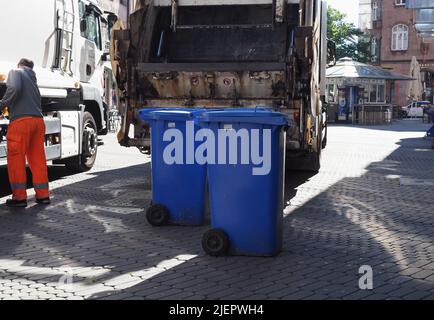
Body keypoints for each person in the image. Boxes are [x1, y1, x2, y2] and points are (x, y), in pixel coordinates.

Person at [0, 58, 50, 207]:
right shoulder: (33, 81)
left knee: (16, 160)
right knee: (38, 160)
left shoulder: (16, 71)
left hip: (21, 123)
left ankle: (19, 198)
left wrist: (2, 104)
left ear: (19, 64)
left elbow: (14, 88)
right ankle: (43, 196)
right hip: (38, 122)